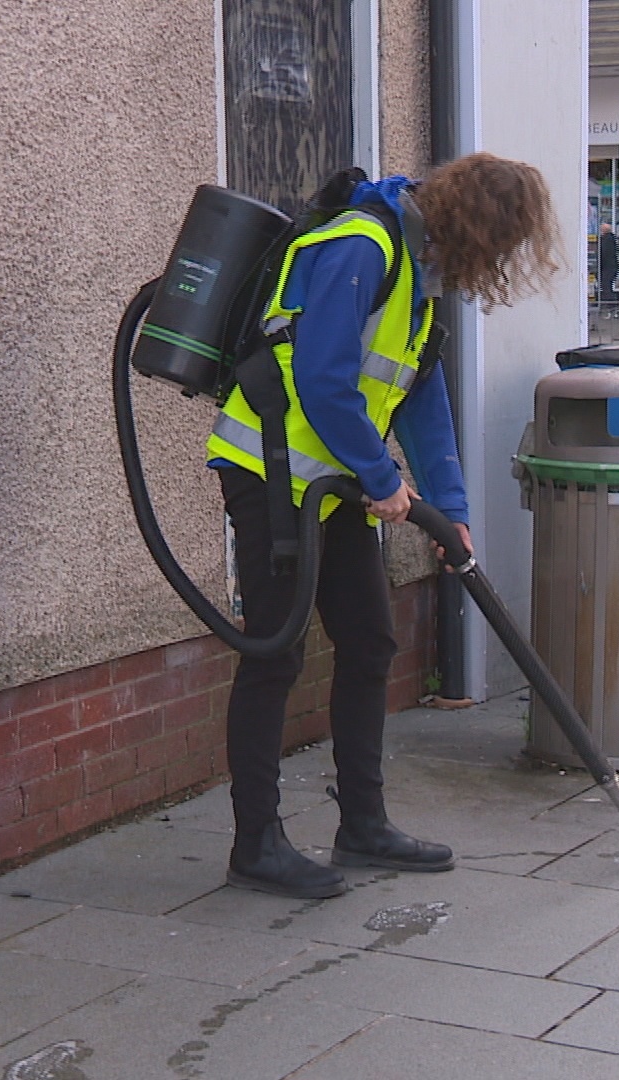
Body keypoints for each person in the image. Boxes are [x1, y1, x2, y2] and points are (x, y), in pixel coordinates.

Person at [204, 152, 561, 899]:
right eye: (499, 243)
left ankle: (361, 824)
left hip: (327, 484)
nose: (494, 262)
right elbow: (324, 380)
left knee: (370, 639)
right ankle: (255, 842)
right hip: (272, 471)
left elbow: (420, 399)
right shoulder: (362, 246)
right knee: (274, 653)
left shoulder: (416, 273)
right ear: (474, 223)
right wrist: (383, 481)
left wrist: (450, 512)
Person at [597, 219, 619, 307]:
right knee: (607, 285)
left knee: (606, 286)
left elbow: (604, 253)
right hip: (611, 266)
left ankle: (612, 304)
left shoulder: (606, 240)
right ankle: (612, 304)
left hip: (608, 267)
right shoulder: (612, 239)